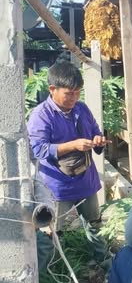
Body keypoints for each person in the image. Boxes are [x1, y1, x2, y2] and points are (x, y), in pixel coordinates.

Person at [27, 61, 110, 266]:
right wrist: (73, 145)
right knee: (52, 232)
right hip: (57, 186)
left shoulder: (81, 109)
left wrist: (98, 140)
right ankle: (50, 273)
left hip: (86, 181)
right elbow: (38, 150)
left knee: (95, 224)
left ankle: (104, 261)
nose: (74, 98)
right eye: (69, 93)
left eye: (77, 92)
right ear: (52, 89)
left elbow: (95, 131)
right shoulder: (40, 115)